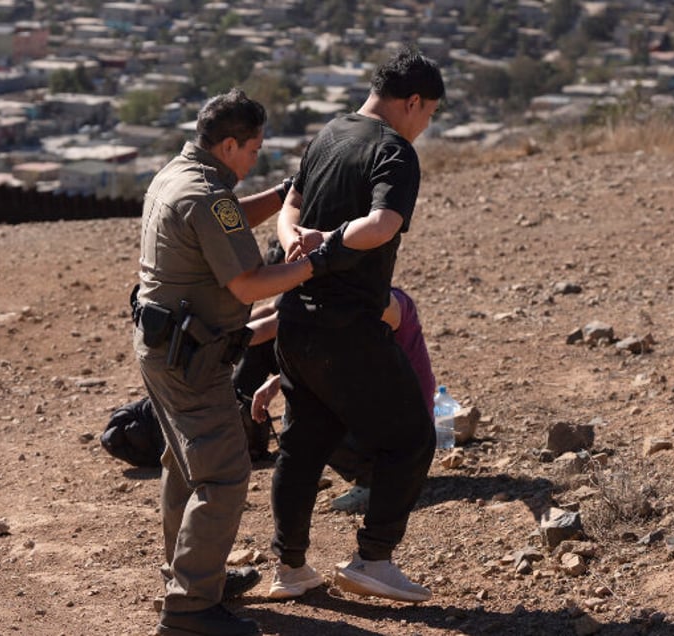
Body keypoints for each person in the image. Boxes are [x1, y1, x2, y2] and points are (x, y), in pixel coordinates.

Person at [134, 89, 325, 636]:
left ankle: (191, 577)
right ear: (229, 143)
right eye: (252, 149)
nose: (254, 159)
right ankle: (191, 612)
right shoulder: (204, 194)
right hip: (191, 357)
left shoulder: (180, 174)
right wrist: (319, 263)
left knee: (183, 464)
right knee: (222, 474)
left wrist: (284, 194)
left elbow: (228, 221)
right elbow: (247, 284)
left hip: (165, 347)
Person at [269, 48, 446, 604]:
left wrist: (294, 245)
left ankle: (290, 568)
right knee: (413, 438)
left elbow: (288, 205)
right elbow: (383, 223)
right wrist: (328, 248)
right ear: (412, 101)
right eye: (429, 113)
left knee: (304, 444)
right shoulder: (395, 150)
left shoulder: (329, 133)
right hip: (347, 326)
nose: (426, 125)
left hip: (295, 321)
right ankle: (373, 559)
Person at [249, 286, 435, 516]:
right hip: (398, 418)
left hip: (404, 425)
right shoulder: (349, 295)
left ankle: (375, 481)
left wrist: (213, 339)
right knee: (304, 390)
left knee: (307, 404)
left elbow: (273, 325)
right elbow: (275, 313)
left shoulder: (377, 303)